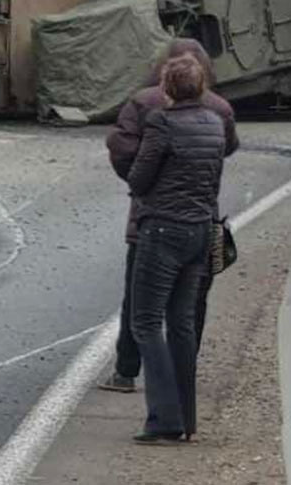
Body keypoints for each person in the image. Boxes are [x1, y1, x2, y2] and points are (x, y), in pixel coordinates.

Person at [102, 40, 238, 395]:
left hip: (151, 219)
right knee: (192, 304)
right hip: (201, 217)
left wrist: (142, 188)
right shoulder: (220, 110)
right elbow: (229, 148)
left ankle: (126, 371)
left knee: (139, 301)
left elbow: (122, 151)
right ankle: (183, 374)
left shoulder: (142, 104)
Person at [125, 55, 226, 445]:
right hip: (200, 228)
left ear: (167, 87)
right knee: (182, 323)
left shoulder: (161, 123)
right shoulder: (215, 124)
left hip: (163, 228)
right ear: (201, 87)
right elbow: (214, 178)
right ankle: (186, 417)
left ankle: (163, 418)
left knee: (146, 322)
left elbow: (140, 177)